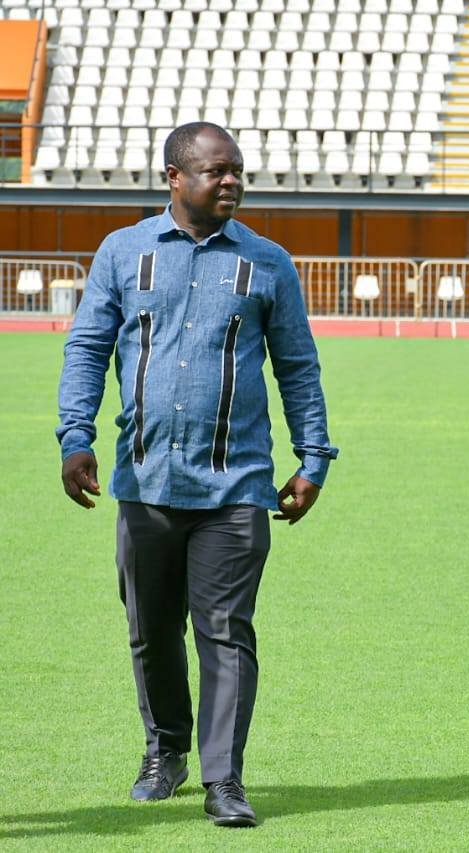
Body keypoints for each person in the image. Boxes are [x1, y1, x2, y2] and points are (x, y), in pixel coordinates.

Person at [56, 122, 338, 828]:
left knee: (225, 630)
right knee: (152, 630)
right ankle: (166, 750)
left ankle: (224, 778)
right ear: (175, 178)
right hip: (145, 481)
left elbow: (297, 365)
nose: (232, 181)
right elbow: (88, 347)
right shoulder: (124, 252)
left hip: (236, 484)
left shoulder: (268, 262)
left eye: (238, 170)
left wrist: (313, 458)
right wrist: (75, 436)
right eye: (217, 170)